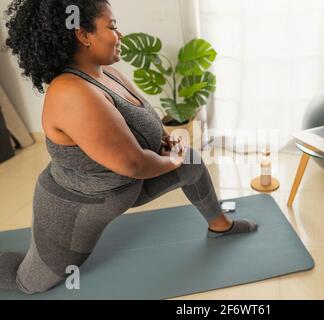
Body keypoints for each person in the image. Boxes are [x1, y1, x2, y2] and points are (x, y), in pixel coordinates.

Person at [0, 0, 257, 294]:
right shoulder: (72, 94)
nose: (119, 35)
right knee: (29, 282)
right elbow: (134, 165)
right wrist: (173, 159)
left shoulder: (104, 72)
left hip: (123, 188)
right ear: (83, 34)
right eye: (111, 26)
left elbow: (146, 116)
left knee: (192, 163)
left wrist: (167, 140)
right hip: (76, 210)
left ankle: (220, 225)